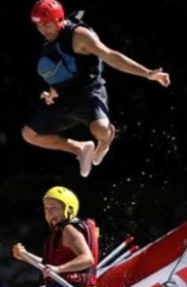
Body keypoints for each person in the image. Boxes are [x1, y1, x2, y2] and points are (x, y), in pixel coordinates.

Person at [22, 0, 171, 178]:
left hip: (89, 92)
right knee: (29, 134)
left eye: (47, 25)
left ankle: (104, 142)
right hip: (65, 97)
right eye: (38, 26)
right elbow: (64, 71)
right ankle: (80, 148)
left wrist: (147, 73)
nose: (43, 30)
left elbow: (110, 56)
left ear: (59, 20)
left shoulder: (79, 36)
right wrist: (52, 91)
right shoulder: (50, 42)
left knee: (100, 129)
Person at [3, 186, 99, 287]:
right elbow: (49, 265)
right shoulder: (64, 229)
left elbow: (87, 259)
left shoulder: (69, 230)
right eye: (46, 208)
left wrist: (59, 269)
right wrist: (26, 256)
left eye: (54, 207)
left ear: (69, 209)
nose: (49, 212)